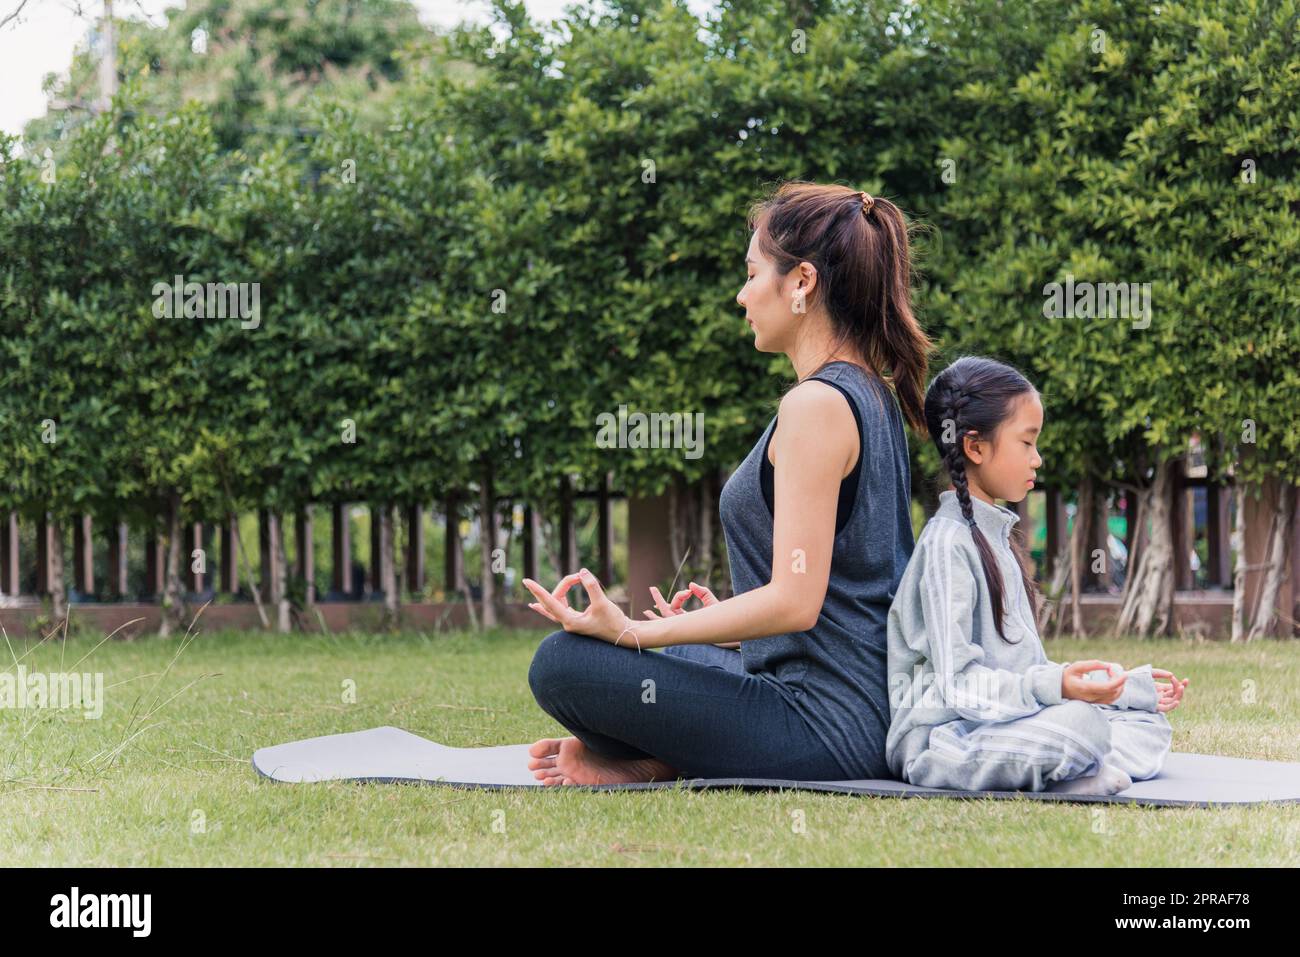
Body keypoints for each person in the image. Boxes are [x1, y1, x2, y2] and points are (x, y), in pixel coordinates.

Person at [521, 182, 931, 785]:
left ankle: (663, 758)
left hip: (829, 726)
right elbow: (841, 590)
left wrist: (637, 629)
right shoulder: (867, 391)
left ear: (801, 283)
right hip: (842, 702)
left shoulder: (816, 405)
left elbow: (796, 600)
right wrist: (743, 635)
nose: (742, 295)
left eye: (751, 273)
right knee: (682, 656)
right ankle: (663, 756)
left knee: (562, 665)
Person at [885, 355, 1190, 796]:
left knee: (1146, 721)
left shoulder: (996, 539)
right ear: (974, 447)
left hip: (1007, 723)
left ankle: (1078, 764)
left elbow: (1028, 676)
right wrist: (1060, 689)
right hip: (946, 738)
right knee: (1081, 727)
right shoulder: (946, 546)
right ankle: (1076, 764)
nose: (1038, 459)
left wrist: (1122, 688)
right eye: (1027, 443)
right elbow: (960, 688)